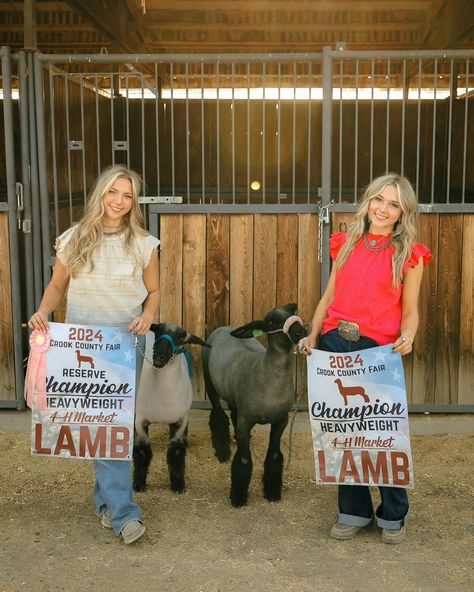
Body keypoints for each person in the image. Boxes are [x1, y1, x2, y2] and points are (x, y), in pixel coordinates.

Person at [28, 165, 160, 544]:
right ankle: (115, 507)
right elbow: (57, 286)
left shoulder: (144, 244)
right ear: (100, 193)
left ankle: (114, 507)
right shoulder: (74, 239)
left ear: (134, 202)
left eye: (127, 195)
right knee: (100, 426)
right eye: (113, 192)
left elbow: (153, 292)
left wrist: (148, 317)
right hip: (80, 345)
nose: (119, 201)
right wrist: (42, 312)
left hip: (123, 345)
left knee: (113, 425)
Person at [300, 172, 431, 545]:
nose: (384, 209)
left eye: (394, 204)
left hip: (378, 352)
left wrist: (409, 335)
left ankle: (394, 512)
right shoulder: (345, 242)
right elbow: (328, 298)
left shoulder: (410, 254)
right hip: (333, 343)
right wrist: (312, 334)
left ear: (403, 212)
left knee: (382, 436)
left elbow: (411, 310)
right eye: (379, 200)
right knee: (342, 433)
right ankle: (353, 510)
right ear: (368, 201)